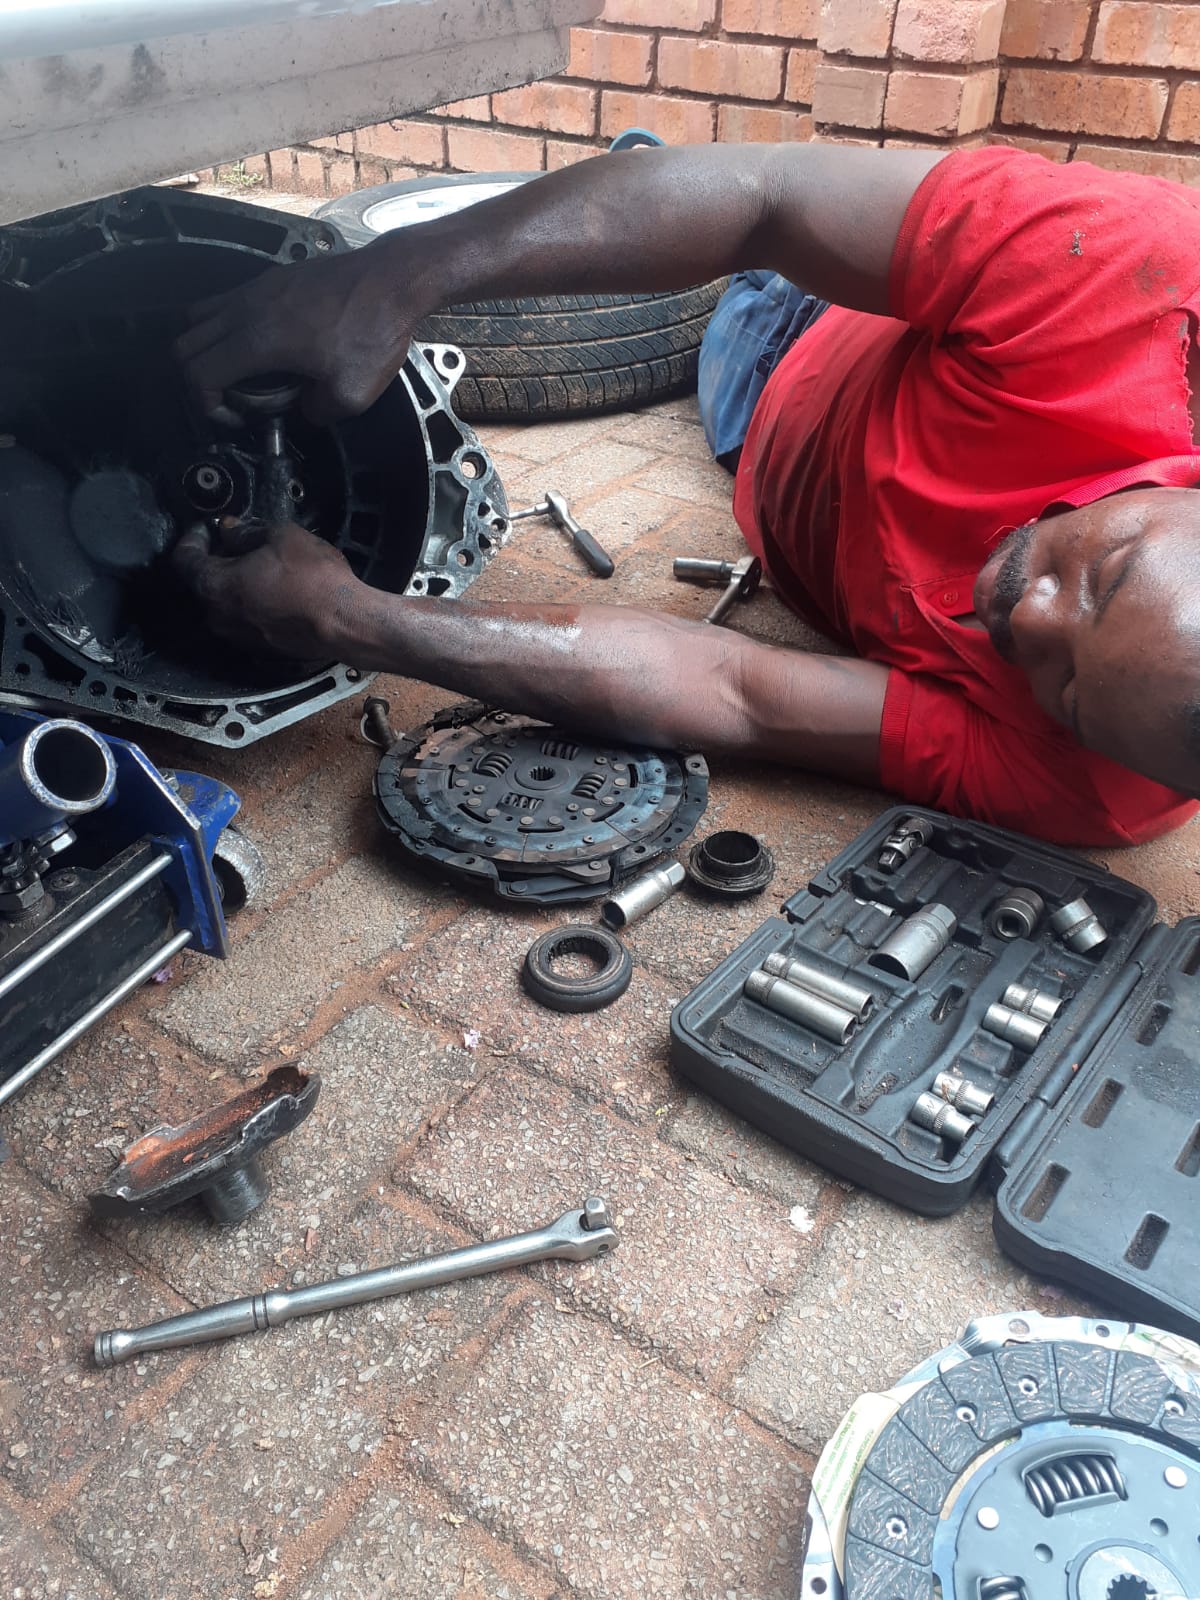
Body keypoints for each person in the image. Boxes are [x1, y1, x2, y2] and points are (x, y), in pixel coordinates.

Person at [174, 142, 1200, 847]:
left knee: (707, 332)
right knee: (722, 227)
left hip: (744, 414)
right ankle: (643, 161)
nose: (1026, 616)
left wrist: (351, 618)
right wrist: (391, 276)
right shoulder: (1132, 280)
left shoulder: (1097, 789)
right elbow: (764, 199)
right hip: (812, 313)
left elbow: (736, 693)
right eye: (1103, 578)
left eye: (1065, 691)